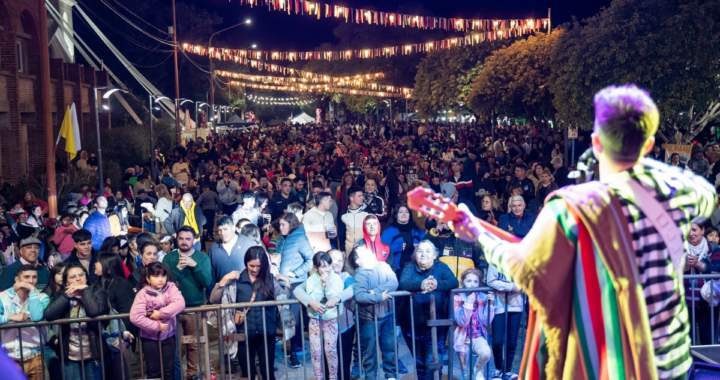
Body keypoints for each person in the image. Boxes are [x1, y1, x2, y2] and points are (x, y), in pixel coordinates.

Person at [447, 85, 716, 379]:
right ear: (650, 145)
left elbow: (523, 267)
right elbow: (701, 190)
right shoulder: (675, 202)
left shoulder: (569, 208)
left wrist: (479, 234)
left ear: (597, 143)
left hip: (598, 360)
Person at [208, 247, 290, 380]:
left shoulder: (269, 279)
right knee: (247, 373)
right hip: (243, 334)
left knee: (268, 371)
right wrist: (224, 279)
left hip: (266, 332)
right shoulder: (237, 279)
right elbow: (214, 299)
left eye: (259, 266)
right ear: (246, 263)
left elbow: (284, 300)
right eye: (252, 265)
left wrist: (287, 284)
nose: (255, 269)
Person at [398, 241, 459, 380]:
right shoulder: (409, 268)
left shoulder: (441, 267)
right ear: (415, 254)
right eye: (420, 251)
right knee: (419, 364)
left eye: (427, 251)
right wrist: (422, 284)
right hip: (412, 326)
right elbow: (403, 283)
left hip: (437, 326)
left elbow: (453, 282)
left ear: (434, 255)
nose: (423, 254)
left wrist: (437, 284)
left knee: (433, 363)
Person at [293, 249, 355, 380]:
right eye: (333, 260)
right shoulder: (312, 279)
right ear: (316, 267)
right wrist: (311, 301)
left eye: (340, 260)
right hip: (317, 320)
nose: (335, 264)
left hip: (341, 324)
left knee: (338, 356)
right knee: (317, 353)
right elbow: (300, 291)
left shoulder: (343, 277)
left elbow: (351, 289)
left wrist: (336, 297)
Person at [43, 262, 109, 380]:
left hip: (94, 353)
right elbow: (48, 314)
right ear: (66, 281)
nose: (78, 279)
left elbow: (94, 311)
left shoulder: (98, 292)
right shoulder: (61, 295)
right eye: (73, 277)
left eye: (81, 275)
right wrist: (68, 295)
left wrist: (85, 291)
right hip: (69, 355)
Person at [163, 227, 212, 379]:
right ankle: (176, 376)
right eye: (181, 239)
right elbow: (164, 283)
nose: (184, 242)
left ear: (194, 240)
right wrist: (177, 268)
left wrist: (194, 265)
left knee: (194, 345)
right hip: (172, 310)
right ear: (177, 240)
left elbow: (207, 281)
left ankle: (193, 375)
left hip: (194, 308)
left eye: (188, 239)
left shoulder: (202, 258)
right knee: (173, 346)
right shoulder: (169, 258)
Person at [130, 262, 185, 380]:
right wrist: (156, 326)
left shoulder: (171, 287)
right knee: (153, 371)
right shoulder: (143, 294)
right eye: (156, 276)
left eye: (163, 276)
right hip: (149, 338)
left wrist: (160, 313)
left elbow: (180, 303)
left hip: (169, 335)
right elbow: (135, 316)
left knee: (169, 370)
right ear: (148, 279)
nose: (160, 279)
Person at [350, 246, 398, 380]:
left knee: (390, 349)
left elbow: (394, 282)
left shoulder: (383, 265)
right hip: (369, 320)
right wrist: (379, 297)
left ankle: (391, 376)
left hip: (387, 315)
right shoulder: (361, 274)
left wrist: (375, 291)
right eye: (362, 252)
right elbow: (360, 295)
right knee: (370, 353)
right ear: (358, 261)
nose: (367, 251)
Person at [276, 212, 315, 366]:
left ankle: (294, 352)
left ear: (291, 225)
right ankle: (293, 348)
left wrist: (295, 273)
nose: (280, 227)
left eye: (283, 224)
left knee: (293, 319)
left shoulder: (300, 238)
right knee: (286, 317)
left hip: (296, 284)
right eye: (279, 224)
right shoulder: (281, 239)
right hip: (281, 283)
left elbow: (310, 260)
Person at [0, 264, 50, 380]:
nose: (31, 281)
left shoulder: (43, 297)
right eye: (26, 277)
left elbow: (37, 317)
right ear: (17, 279)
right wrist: (11, 317)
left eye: (34, 277)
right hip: (10, 358)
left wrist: (32, 291)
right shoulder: (3, 297)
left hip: (35, 357)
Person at [94, 253, 135, 380]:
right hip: (104, 339)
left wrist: (123, 337)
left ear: (107, 267)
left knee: (120, 374)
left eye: (98, 262)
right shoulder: (98, 283)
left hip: (119, 340)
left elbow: (127, 313)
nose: (95, 264)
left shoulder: (121, 284)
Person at [453, 268, 494, 380]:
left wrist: (491, 305)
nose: (472, 284)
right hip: (462, 338)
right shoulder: (457, 297)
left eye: (475, 281)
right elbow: (462, 322)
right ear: (462, 282)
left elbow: (486, 321)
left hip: (478, 336)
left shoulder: (483, 297)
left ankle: (477, 370)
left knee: (486, 353)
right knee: (465, 374)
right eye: (469, 281)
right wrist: (468, 303)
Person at [683, 222, 720, 345]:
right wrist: (685, 267)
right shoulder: (680, 248)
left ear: (702, 230)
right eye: (688, 230)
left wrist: (699, 264)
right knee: (687, 343)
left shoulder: (712, 247)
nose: (691, 233)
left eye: (694, 230)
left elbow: (717, 269)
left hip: (708, 302)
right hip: (686, 303)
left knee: (707, 343)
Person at [207, 216, 257, 296]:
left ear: (233, 228)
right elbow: (211, 276)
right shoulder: (214, 248)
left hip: (246, 294)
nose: (222, 233)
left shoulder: (249, 244)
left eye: (226, 229)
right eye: (220, 230)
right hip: (223, 296)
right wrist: (211, 296)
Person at [382, 205, 425, 275]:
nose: (404, 214)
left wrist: (420, 247)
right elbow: (382, 251)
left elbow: (428, 244)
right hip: (396, 270)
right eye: (400, 212)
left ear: (410, 215)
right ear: (396, 215)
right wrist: (397, 247)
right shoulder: (389, 231)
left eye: (406, 212)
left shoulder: (417, 230)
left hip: (415, 268)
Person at [338, 186, 368, 254]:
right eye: (359, 196)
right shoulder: (343, 214)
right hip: (348, 249)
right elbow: (341, 234)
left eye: (362, 195)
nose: (362, 198)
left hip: (364, 249)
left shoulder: (367, 212)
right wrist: (342, 250)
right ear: (351, 198)